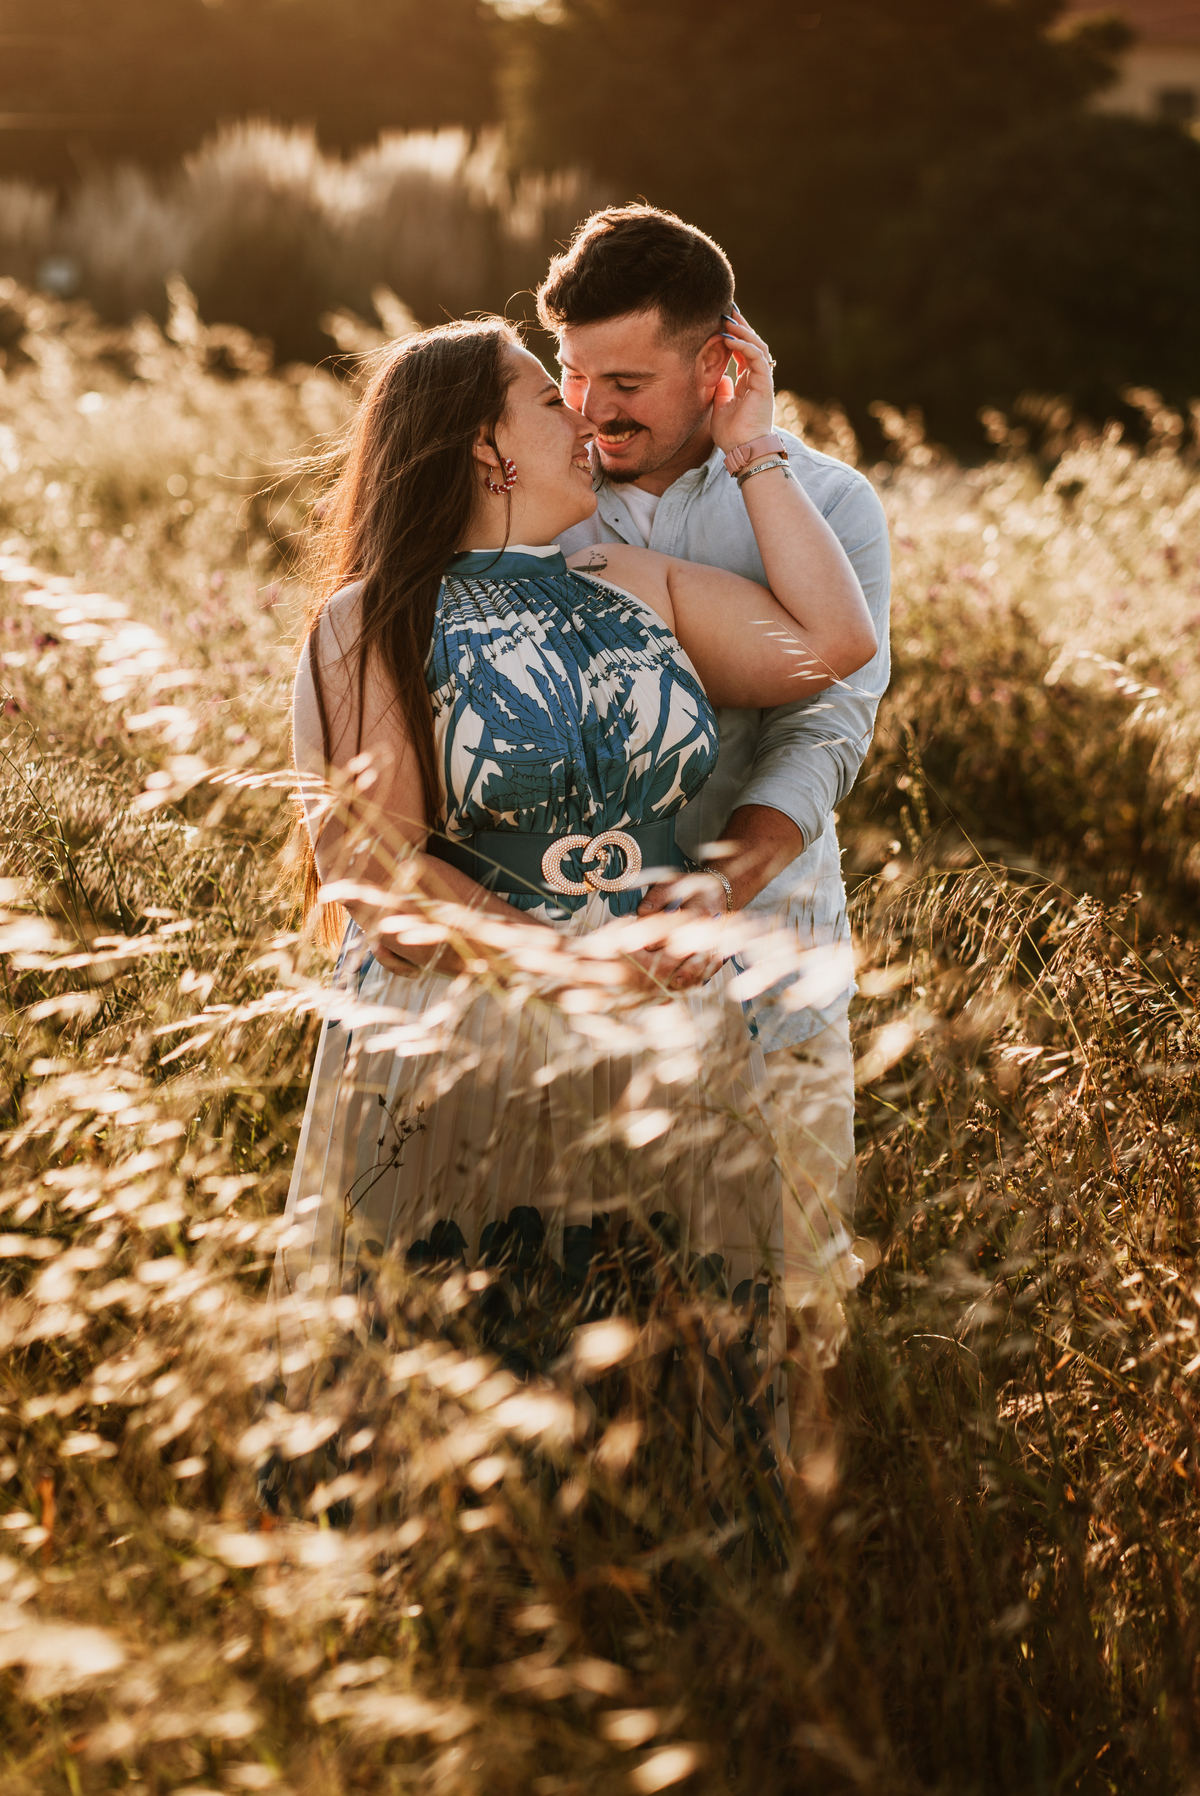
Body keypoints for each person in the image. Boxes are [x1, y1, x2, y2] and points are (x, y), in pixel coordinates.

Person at [276, 312, 875, 1480]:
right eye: (546, 397)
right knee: (470, 1388)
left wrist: (754, 446)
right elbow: (376, 877)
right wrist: (568, 970)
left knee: (680, 1388)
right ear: (485, 450)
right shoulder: (369, 618)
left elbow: (832, 642)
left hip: (672, 1039)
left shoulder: (637, 578)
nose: (582, 407)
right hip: (474, 1047)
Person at [542, 205, 892, 1361]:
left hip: (773, 952)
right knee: (588, 1319)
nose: (592, 409)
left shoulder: (831, 506)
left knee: (789, 1309)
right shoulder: (538, 501)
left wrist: (723, 882)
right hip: (576, 972)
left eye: (627, 378)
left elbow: (828, 722)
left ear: (719, 363)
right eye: (573, 373)